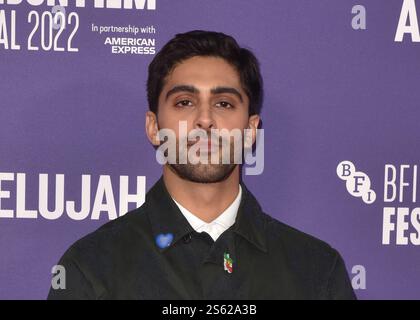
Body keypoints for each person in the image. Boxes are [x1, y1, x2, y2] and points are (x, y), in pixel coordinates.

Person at [48, 30, 356, 300]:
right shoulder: (91, 269)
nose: (205, 119)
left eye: (223, 103)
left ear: (250, 130)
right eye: (184, 102)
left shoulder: (316, 271)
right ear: (154, 127)